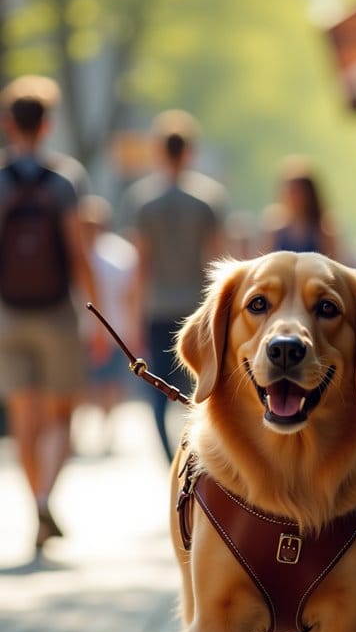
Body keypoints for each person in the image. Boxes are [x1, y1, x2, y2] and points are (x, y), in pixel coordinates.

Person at [0, 74, 103, 550]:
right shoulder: (65, 179)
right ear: (47, 126)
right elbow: (78, 252)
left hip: (9, 314)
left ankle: (33, 504)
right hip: (57, 310)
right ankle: (45, 497)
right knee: (62, 412)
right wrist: (97, 311)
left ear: (7, 124)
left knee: (24, 412)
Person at [121, 109, 227, 462]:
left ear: (159, 152)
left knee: (157, 388)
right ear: (189, 152)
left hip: (157, 306)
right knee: (199, 384)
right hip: (196, 306)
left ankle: (172, 458)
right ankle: (196, 450)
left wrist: (133, 317)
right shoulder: (208, 199)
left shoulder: (143, 201)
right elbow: (216, 261)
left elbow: (141, 265)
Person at [78, 195, 140, 451]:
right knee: (83, 384)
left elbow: (131, 293)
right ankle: (80, 431)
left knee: (111, 384)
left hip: (115, 329)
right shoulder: (77, 252)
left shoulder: (119, 253)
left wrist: (133, 328)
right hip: (82, 330)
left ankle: (108, 430)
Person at [258, 156, 342, 259]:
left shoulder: (323, 230)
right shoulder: (273, 229)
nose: (291, 197)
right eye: (289, 191)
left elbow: (333, 263)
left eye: (296, 192)